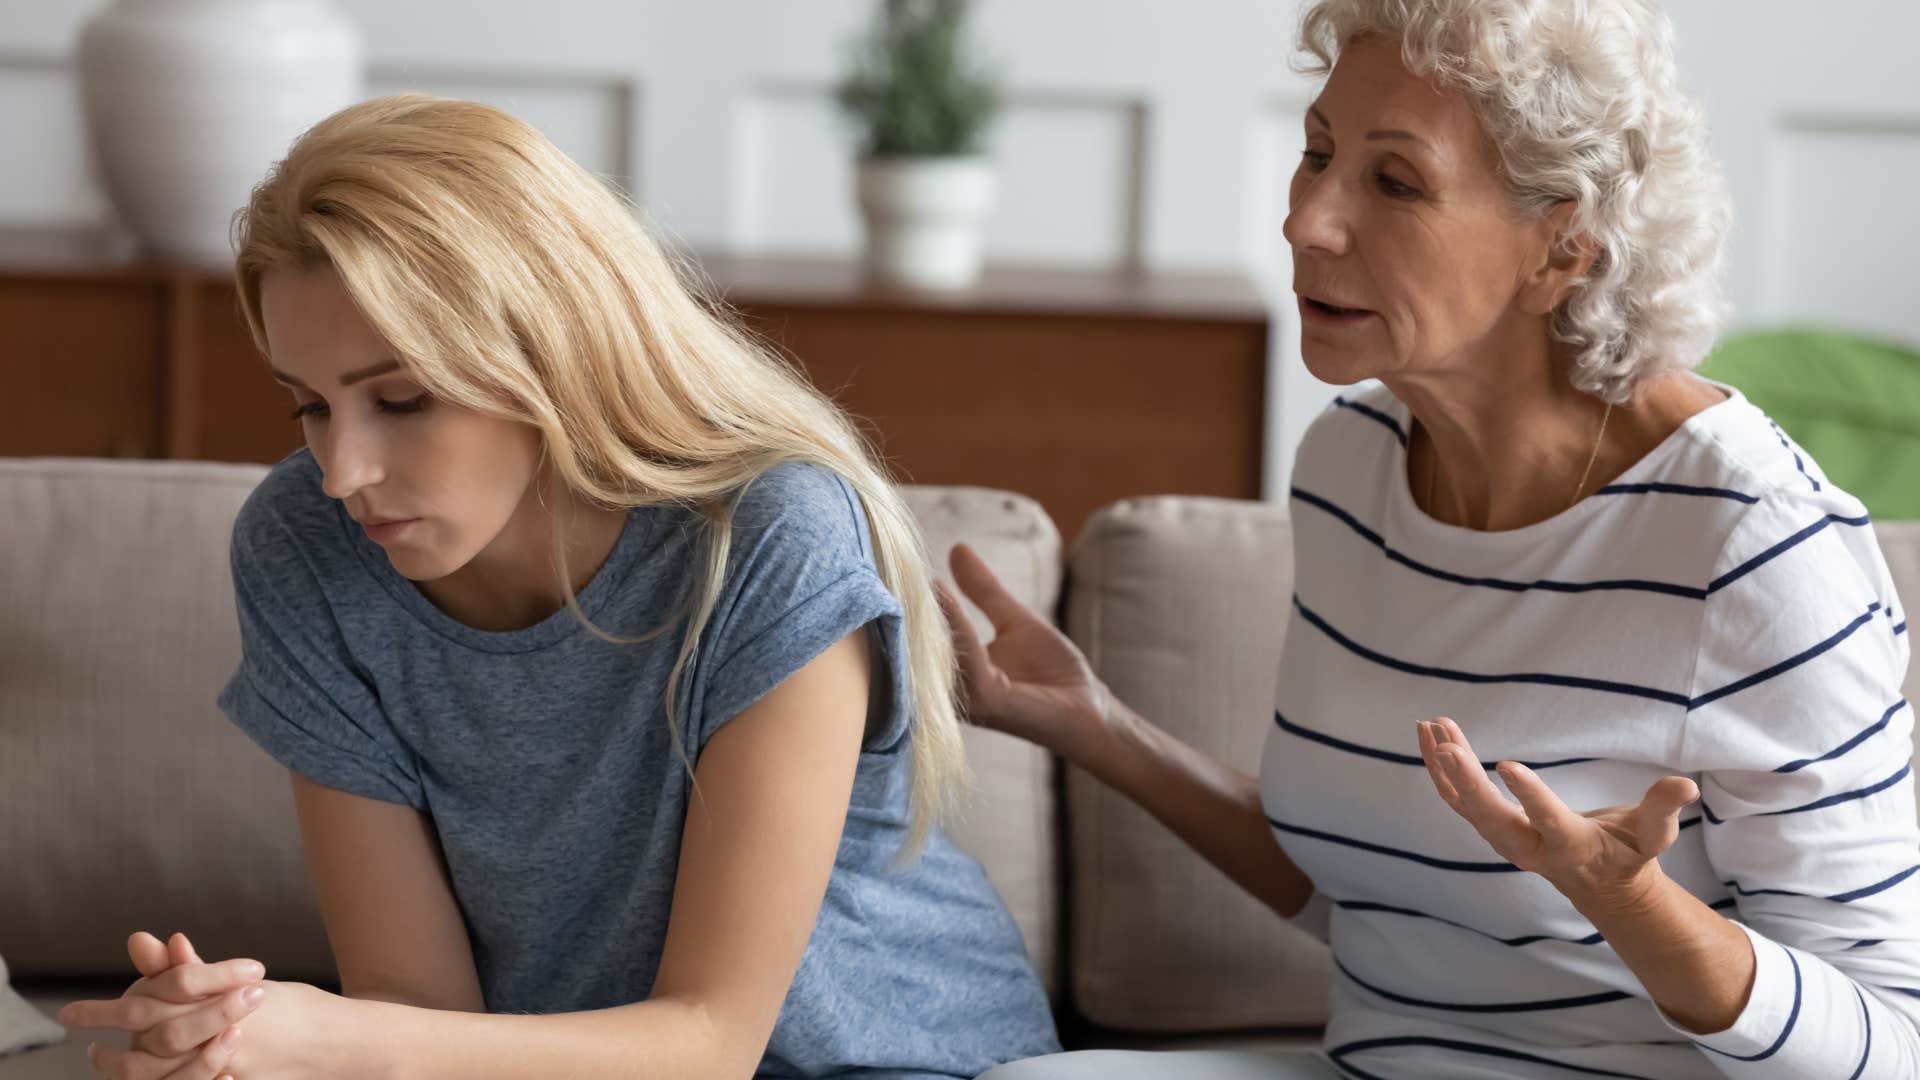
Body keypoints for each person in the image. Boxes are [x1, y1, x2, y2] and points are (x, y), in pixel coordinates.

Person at [963, 1, 1919, 1077]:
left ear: (1563, 249)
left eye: (1395, 181)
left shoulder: (1754, 543)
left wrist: (1631, 903)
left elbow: (1889, 1043)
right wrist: (1093, 724)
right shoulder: (1351, 461)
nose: (1307, 222)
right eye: (1316, 153)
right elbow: (1379, 896)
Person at [57, 93, 1058, 1080]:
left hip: (910, 1063)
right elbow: (416, 1006)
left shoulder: (767, 536)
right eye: (309, 408)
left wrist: (328, 1039)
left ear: (554, 350)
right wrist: (233, 1042)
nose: (342, 471)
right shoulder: (305, 547)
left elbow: (710, 1042)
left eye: (401, 399)